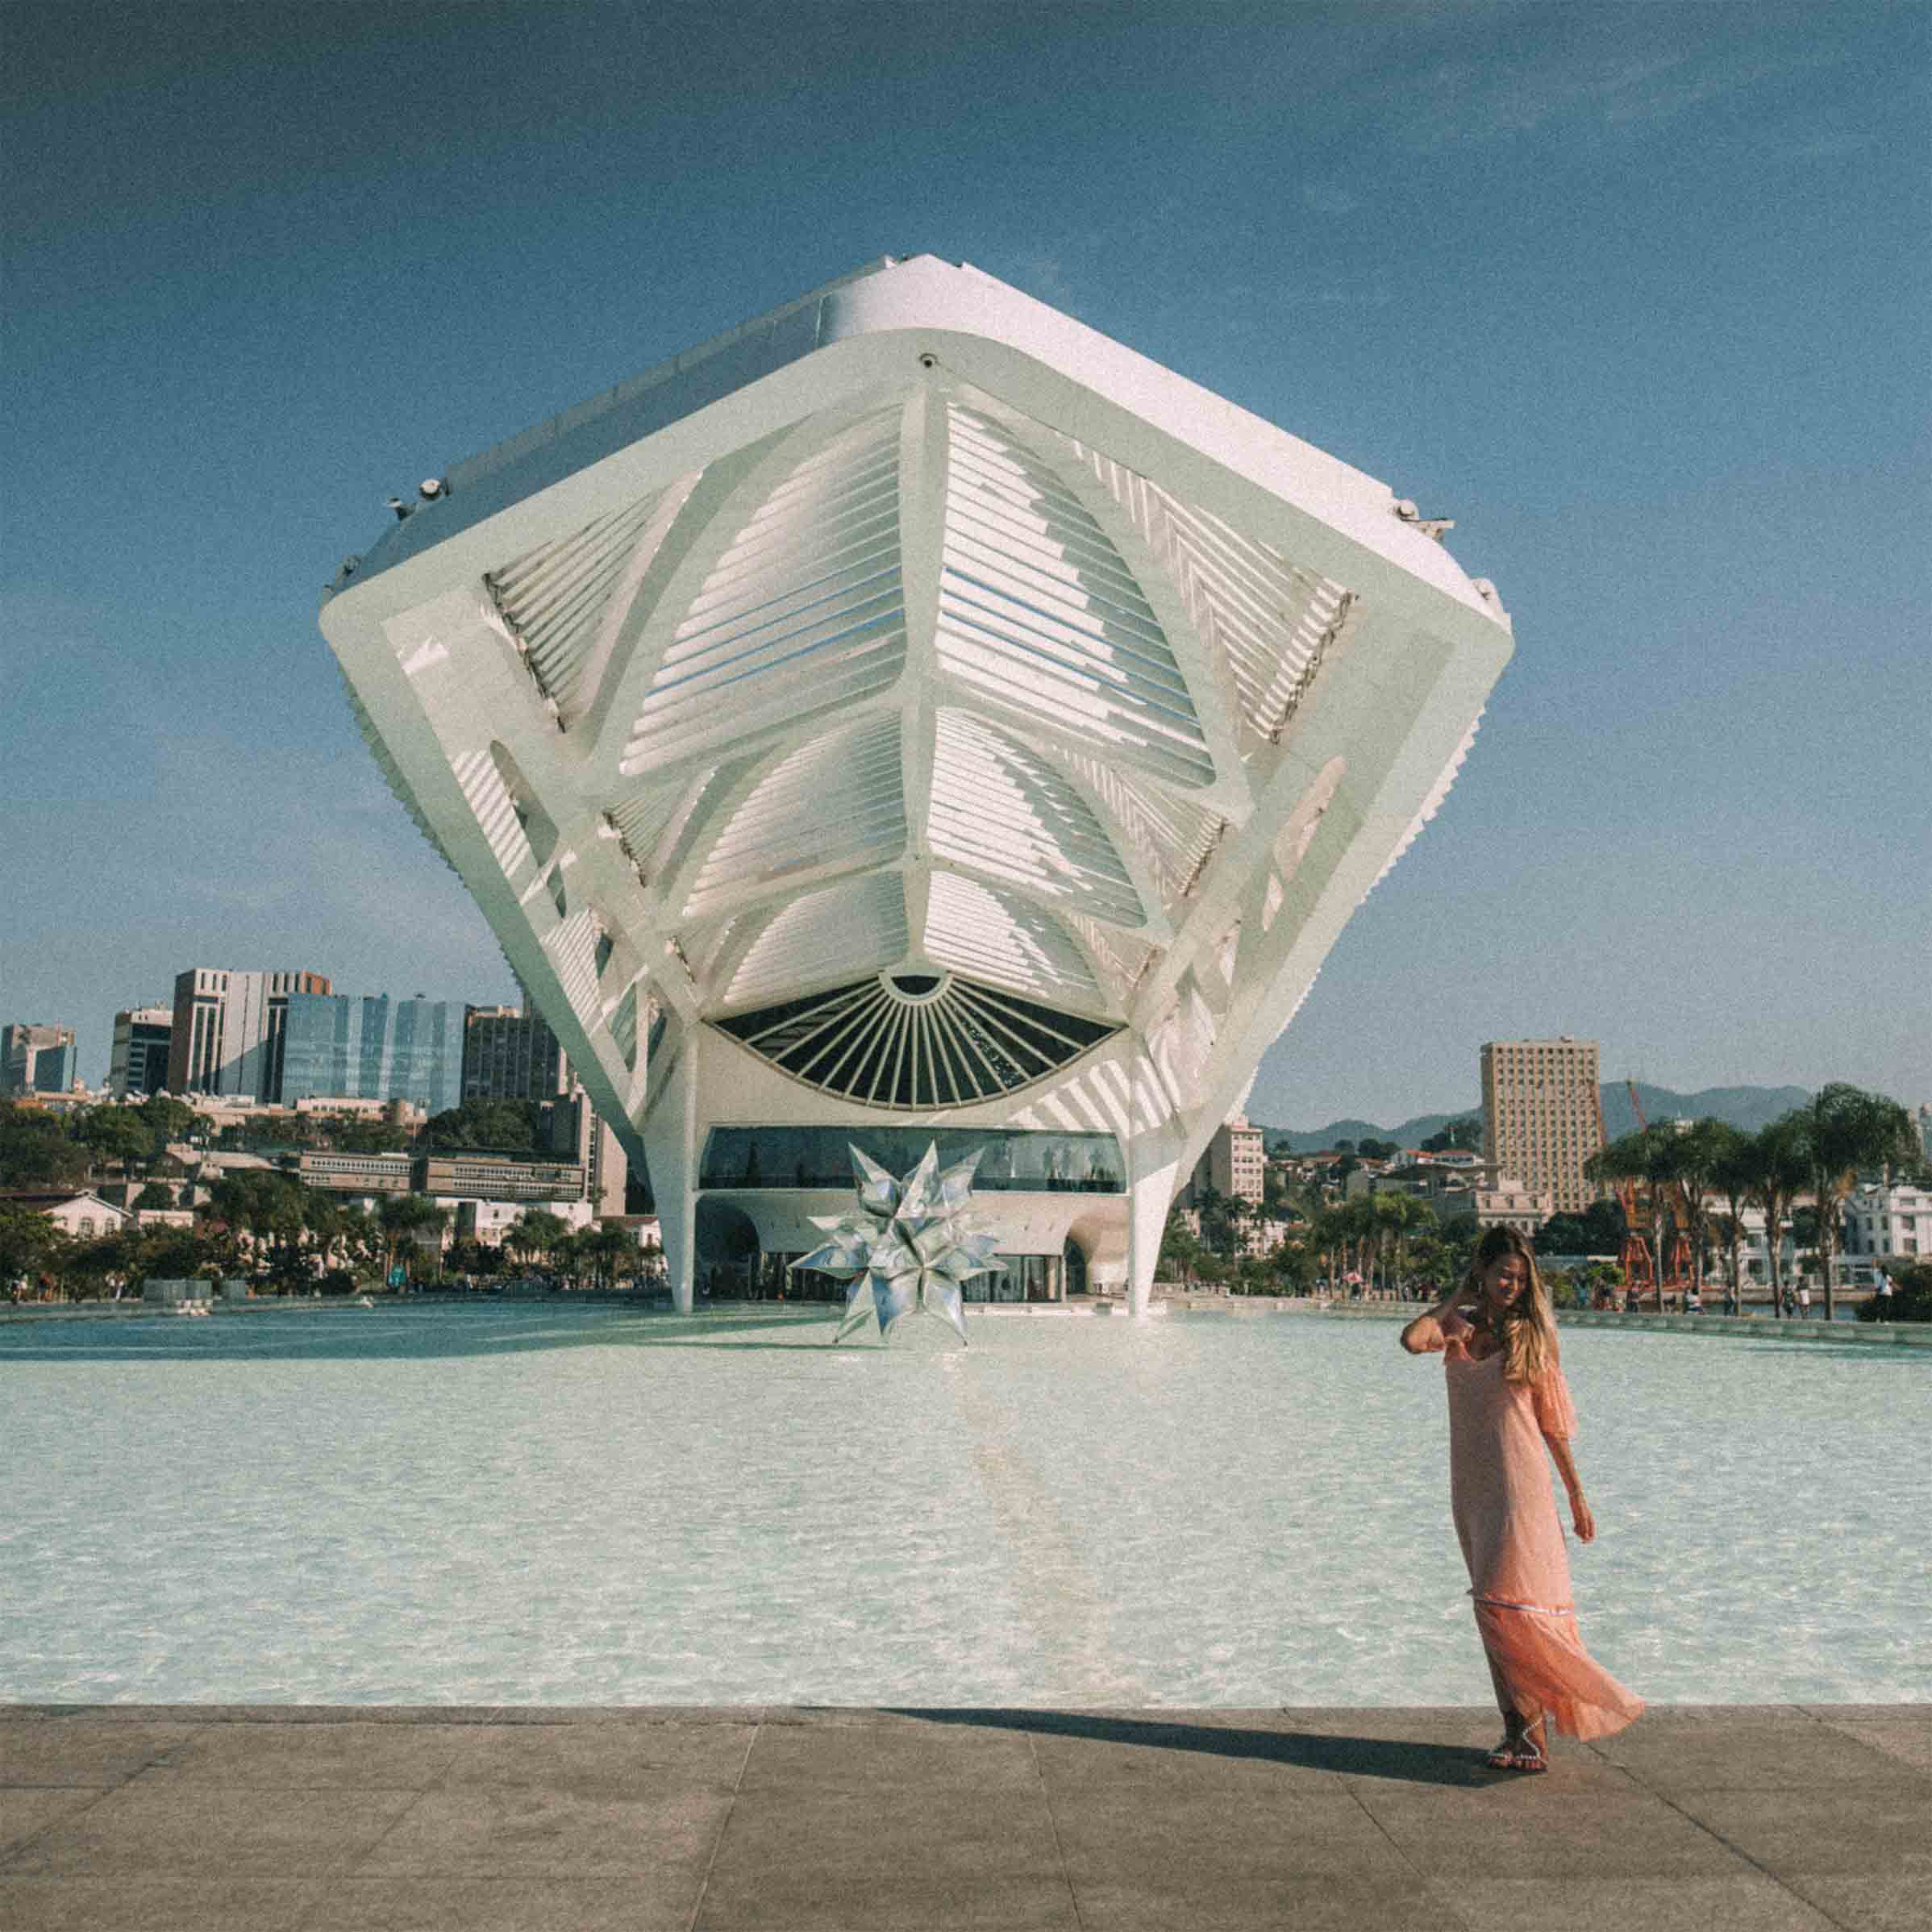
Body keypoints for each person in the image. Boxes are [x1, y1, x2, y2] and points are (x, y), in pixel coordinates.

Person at [1400, 1226, 1643, 1772]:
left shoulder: (1531, 1337)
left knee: (1507, 1606)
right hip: (1472, 1488)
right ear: (1481, 1272)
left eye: (1519, 1277)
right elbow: (1411, 1340)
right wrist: (1457, 1299)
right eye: (1502, 1274)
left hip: (1521, 1486)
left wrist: (1577, 1494)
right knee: (1492, 1612)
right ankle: (1518, 1735)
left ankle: (1532, 1734)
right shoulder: (1456, 1329)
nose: (1511, 1284)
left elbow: (1553, 1427)